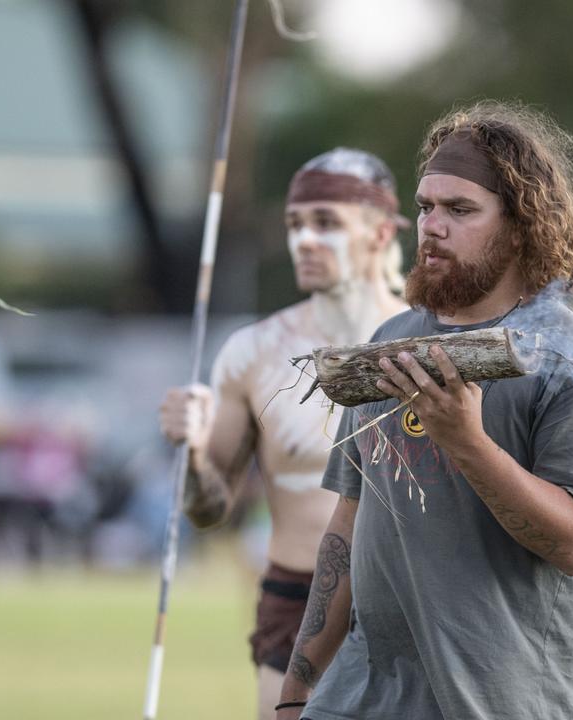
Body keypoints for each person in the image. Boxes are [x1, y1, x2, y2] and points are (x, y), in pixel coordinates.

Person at [276, 101, 573, 720]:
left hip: (494, 702)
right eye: (425, 207)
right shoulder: (391, 340)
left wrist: (466, 441)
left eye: (460, 210)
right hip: (357, 700)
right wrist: (295, 695)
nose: (432, 225)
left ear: (521, 226)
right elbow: (347, 527)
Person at [159, 148, 409, 718]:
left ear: (378, 233)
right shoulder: (252, 353)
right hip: (298, 596)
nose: (304, 241)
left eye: (327, 222)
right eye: (295, 224)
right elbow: (207, 511)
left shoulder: (426, 341)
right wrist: (194, 454)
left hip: (407, 594)